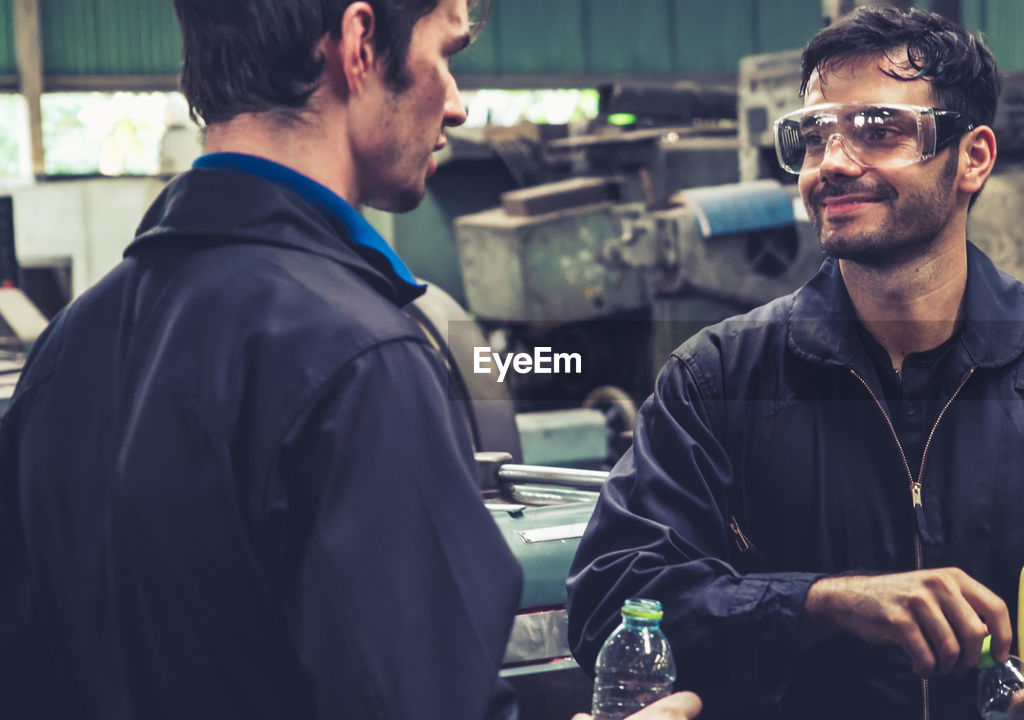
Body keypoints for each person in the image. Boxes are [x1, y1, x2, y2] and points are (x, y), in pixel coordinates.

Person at [566, 7, 1024, 720]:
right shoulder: (717, 380)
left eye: (878, 131)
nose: (835, 163)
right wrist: (824, 602)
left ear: (973, 157)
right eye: (815, 136)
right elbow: (611, 603)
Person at [0, 1, 701, 719]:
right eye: (446, 54)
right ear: (361, 43)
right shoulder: (362, 363)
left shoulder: (66, 351)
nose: (456, 105)